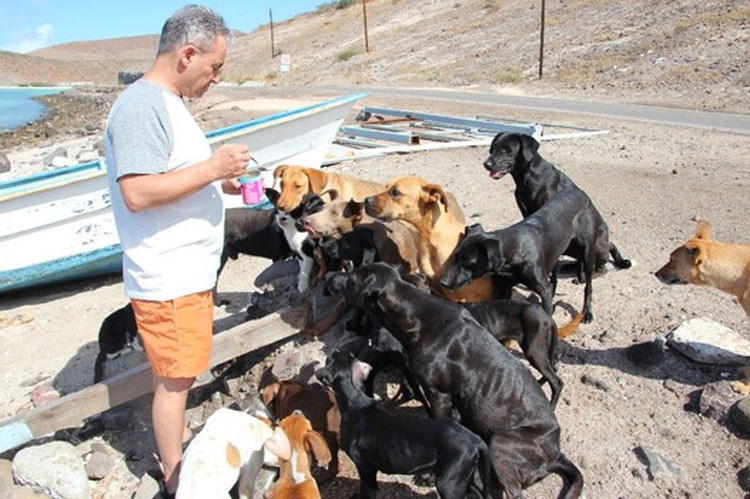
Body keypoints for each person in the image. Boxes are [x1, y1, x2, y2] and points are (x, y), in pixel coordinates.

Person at [104, 5, 249, 495]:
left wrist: (216, 187)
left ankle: (179, 447)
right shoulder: (142, 106)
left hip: (185, 272)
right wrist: (211, 169)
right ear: (188, 54)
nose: (216, 79)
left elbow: (167, 178)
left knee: (180, 372)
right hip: (168, 276)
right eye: (214, 68)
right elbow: (139, 192)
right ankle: (175, 475)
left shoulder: (165, 104)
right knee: (175, 381)